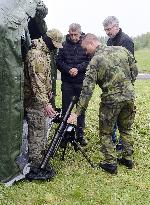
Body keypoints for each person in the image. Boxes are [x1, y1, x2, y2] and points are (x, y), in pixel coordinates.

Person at [68, 33, 138, 174]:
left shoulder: (95, 61)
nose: (85, 52)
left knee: (105, 132)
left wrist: (77, 113)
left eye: (85, 49)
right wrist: (127, 86)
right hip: (129, 97)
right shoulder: (122, 50)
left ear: (91, 43)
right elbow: (135, 71)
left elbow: (87, 90)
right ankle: (128, 158)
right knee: (126, 129)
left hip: (111, 101)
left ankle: (110, 163)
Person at [0, 0, 48, 183]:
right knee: (36, 127)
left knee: (34, 126)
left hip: (30, 97)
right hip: (32, 98)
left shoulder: (38, 52)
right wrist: (44, 102)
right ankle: (35, 160)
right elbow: (36, 79)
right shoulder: (36, 54)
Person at [24, 32, 63, 179]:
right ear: (50, 41)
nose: (55, 48)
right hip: (35, 100)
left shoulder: (44, 52)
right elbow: (37, 83)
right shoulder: (37, 55)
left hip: (40, 98)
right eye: (55, 45)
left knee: (41, 128)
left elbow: (45, 78)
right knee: (37, 130)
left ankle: (40, 159)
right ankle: (36, 167)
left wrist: (49, 92)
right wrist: (45, 102)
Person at [103, 16, 135, 148]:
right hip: (111, 84)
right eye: (105, 30)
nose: (107, 32)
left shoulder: (126, 41)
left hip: (123, 85)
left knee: (123, 115)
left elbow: (130, 65)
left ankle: (123, 144)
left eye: (109, 29)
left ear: (117, 26)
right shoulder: (109, 41)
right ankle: (113, 138)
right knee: (112, 113)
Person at [56, 23, 90, 146]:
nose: (73, 37)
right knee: (66, 109)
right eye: (71, 34)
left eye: (76, 35)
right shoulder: (63, 45)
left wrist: (78, 68)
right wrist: (68, 69)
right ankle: (64, 135)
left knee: (81, 109)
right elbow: (58, 61)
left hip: (81, 82)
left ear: (80, 33)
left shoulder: (85, 44)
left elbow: (89, 61)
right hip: (67, 83)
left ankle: (80, 135)